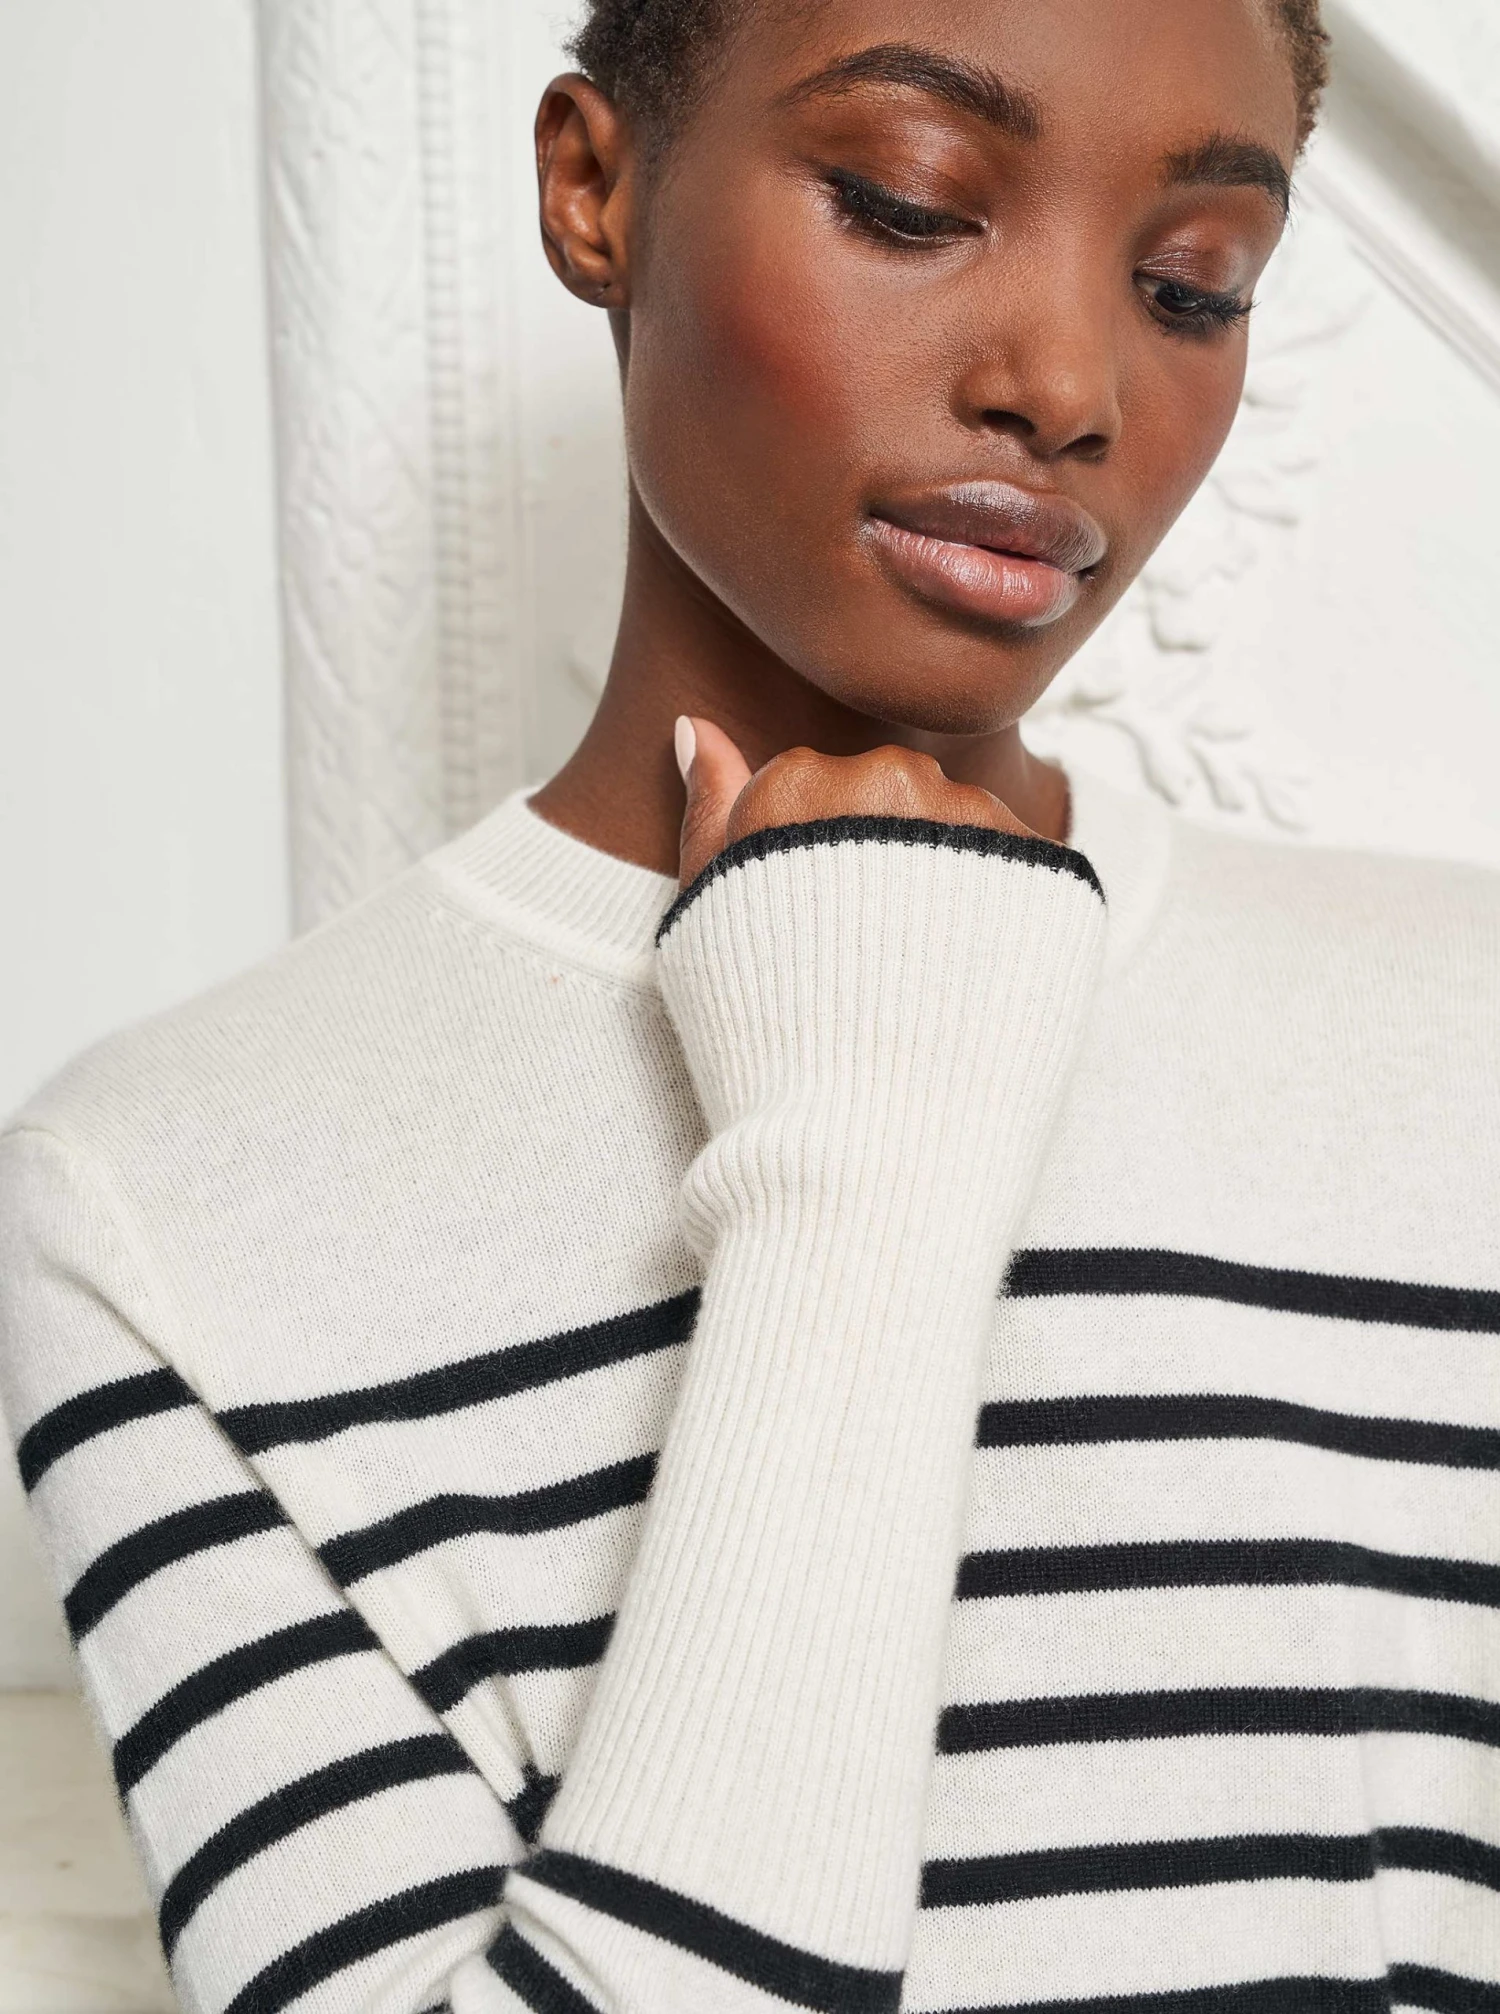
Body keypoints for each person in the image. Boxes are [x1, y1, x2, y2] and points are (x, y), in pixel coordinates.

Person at [2, 0, 1497, 2009]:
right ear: (594, 188)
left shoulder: (1468, 1046)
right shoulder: (158, 1202)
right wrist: (865, 1140)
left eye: (1190, 285)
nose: (1069, 386)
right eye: (912, 202)